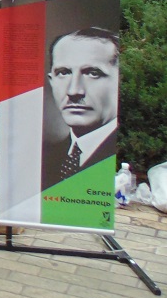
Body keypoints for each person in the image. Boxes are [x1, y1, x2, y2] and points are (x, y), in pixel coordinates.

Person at [42, 28, 119, 190]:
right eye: (63, 73)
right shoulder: (47, 157)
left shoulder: (122, 157)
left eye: (93, 73)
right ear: (51, 81)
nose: (74, 91)